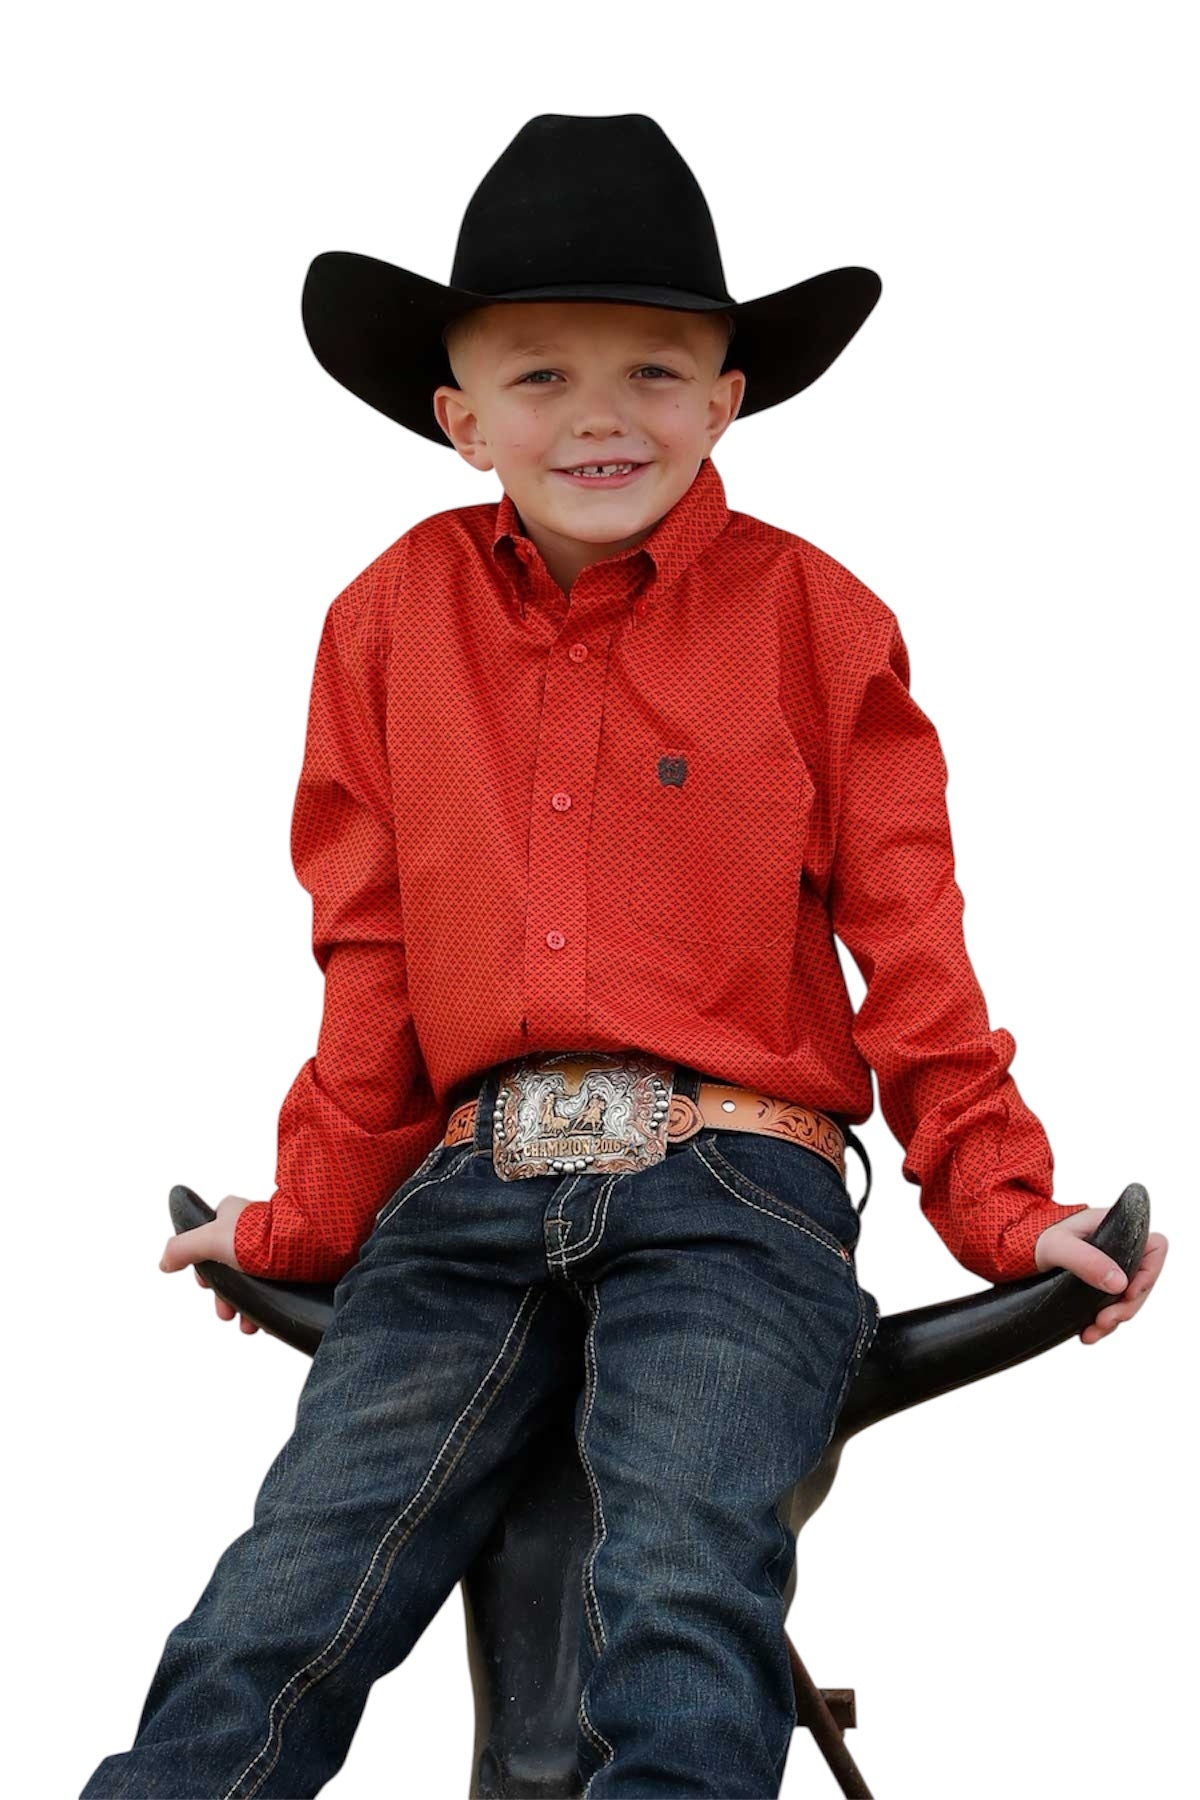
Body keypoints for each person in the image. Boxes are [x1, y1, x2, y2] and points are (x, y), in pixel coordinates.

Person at [80, 112, 1167, 1800]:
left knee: (680, 1591)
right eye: (538, 377)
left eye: (658, 369)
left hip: (738, 1185)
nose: (602, 415)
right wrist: (303, 1218)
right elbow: (368, 953)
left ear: (731, 395)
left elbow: (911, 941)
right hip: (460, 1197)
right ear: (456, 417)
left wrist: (1005, 1205)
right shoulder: (384, 624)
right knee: (284, 1599)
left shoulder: (822, 622)